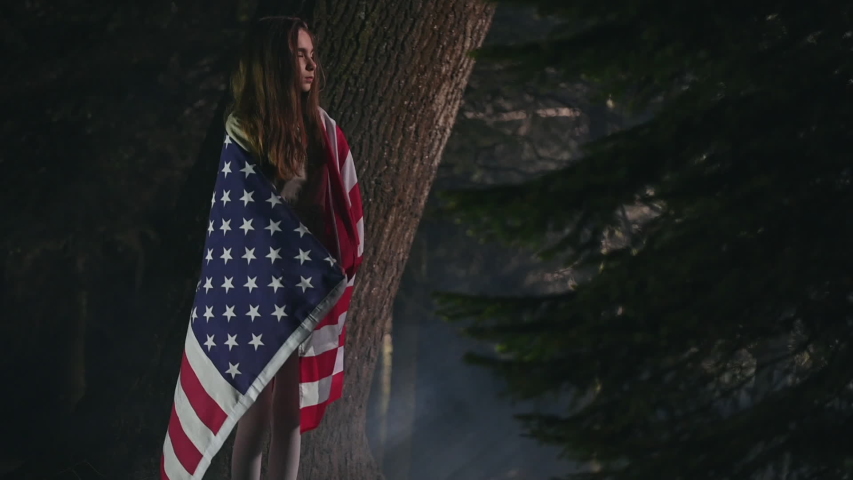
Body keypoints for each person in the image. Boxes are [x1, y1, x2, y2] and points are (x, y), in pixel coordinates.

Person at [225, 16, 331, 480]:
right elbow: (245, 212)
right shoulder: (244, 126)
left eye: (312, 55)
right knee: (256, 414)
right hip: (259, 284)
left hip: (299, 284)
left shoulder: (317, 128)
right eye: (299, 56)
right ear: (274, 64)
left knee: (290, 414)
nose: (311, 66)